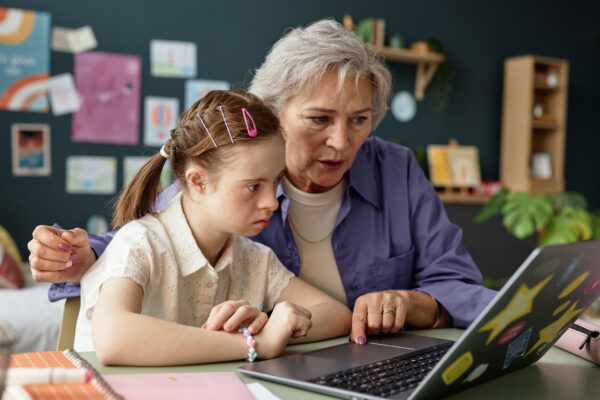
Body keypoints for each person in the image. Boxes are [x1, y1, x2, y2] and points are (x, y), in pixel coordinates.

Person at [28, 19, 496, 348]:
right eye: (319, 119)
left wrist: (416, 303)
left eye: (360, 120)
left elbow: (454, 281)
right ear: (272, 112)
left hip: (377, 366)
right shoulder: (235, 183)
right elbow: (160, 235)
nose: (341, 141)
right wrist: (82, 256)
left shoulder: (396, 169)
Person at [71, 90, 351, 366]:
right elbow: (113, 339)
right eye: (253, 186)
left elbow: (337, 315)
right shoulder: (140, 242)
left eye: (276, 181)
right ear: (198, 182)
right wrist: (256, 344)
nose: (271, 202)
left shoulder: (255, 258)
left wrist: (272, 328)